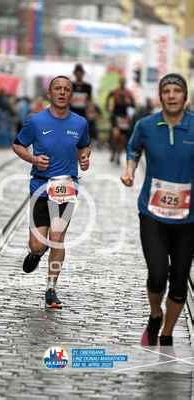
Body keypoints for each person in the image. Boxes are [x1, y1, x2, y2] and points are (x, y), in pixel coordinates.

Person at [121, 73, 194, 346]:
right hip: (152, 213)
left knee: (178, 281)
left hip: (189, 218)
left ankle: (167, 333)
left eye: (177, 91)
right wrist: (129, 171)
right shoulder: (146, 125)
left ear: (185, 97)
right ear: (160, 96)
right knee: (157, 272)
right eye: (167, 91)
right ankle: (155, 315)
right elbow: (133, 149)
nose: (172, 95)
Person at [12, 76, 91, 309]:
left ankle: (51, 289)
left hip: (66, 188)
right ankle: (36, 254)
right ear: (50, 93)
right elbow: (17, 144)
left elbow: (84, 145)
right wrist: (33, 158)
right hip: (40, 187)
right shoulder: (35, 121)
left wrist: (85, 157)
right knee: (38, 244)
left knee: (57, 239)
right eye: (58, 88)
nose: (62, 92)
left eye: (67, 89)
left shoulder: (80, 123)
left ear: (71, 94)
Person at [106, 77, 136, 164]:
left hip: (124, 118)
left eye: (124, 82)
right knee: (115, 135)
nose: (122, 83)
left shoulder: (128, 93)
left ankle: (118, 155)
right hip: (116, 116)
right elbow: (108, 97)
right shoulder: (115, 91)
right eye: (121, 82)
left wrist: (131, 115)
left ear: (125, 83)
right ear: (119, 82)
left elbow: (133, 105)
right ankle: (113, 152)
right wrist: (108, 107)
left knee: (122, 138)